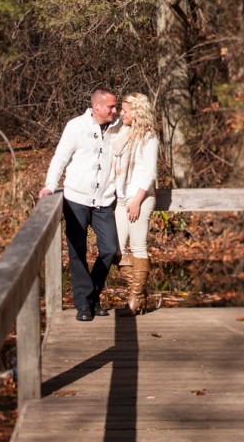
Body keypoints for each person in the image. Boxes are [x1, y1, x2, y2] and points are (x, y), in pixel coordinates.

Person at [38, 87, 120, 321]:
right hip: (76, 199)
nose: (115, 111)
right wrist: (50, 185)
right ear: (97, 106)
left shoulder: (117, 128)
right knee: (77, 252)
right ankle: (84, 305)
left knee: (109, 249)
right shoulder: (76, 126)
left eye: (115, 107)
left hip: (104, 201)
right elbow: (60, 158)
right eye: (111, 107)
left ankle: (92, 296)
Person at [111, 92, 159, 316]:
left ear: (137, 112)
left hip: (139, 198)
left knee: (138, 246)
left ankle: (134, 298)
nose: (121, 113)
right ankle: (139, 294)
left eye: (125, 110)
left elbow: (149, 173)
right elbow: (113, 150)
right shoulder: (123, 133)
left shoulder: (149, 138)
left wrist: (137, 201)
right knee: (115, 249)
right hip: (121, 199)